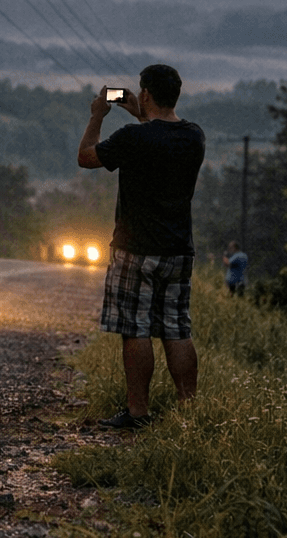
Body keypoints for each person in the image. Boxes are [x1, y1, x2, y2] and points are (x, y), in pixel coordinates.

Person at [77, 64, 206, 430]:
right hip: (178, 249)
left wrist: (97, 115)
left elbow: (86, 157)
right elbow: (161, 135)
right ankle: (189, 412)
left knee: (136, 329)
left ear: (146, 94)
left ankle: (138, 413)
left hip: (136, 248)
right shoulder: (194, 136)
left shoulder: (132, 138)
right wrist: (142, 114)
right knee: (176, 329)